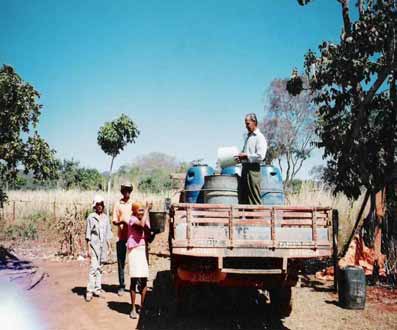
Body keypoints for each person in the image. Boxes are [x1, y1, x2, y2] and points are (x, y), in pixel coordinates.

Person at [115, 201, 152, 319]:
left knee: (144, 279)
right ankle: (133, 309)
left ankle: (143, 306)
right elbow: (141, 225)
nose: (142, 212)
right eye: (140, 210)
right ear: (135, 211)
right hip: (134, 251)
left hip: (142, 249)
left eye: (142, 210)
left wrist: (152, 231)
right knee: (134, 279)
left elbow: (148, 235)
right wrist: (147, 209)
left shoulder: (144, 218)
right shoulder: (132, 219)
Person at [235, 113, 267, 205]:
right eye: (245, 124)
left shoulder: (259, 138)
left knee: (254, 199)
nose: (246, 126)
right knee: (243, 199)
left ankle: (257, 219)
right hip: (245, 170)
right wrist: (240, 158)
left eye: (248, 123)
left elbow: (261, 156)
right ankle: (246, 219)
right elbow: (246, 154)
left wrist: (246, 156)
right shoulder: (248, 138)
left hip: (253, 171)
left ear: (254, 122)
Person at [85, 195, 112, 302]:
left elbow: (108, 233)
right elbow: (87, 234)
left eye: (101, 204)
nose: (100, 207)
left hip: (103, 247)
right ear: (95, 206)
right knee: (93, 268)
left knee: (100, 268)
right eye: (98, 205)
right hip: (94, 247)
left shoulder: (105, 217)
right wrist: (88, 249)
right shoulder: (91, 217)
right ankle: (89, 290)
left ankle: (98, 289)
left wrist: (109, 247)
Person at [112, 182, 134, 296]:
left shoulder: (133, 203)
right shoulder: (117, 204)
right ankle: (121, 286)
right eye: (125, 190)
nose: (127, 192)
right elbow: (114, 220)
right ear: (122, 191)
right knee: (121, 262)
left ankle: (135, 285)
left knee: (134, 261)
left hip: (132, 237)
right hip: (121, 237)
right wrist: (122, 222)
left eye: (129, 190)